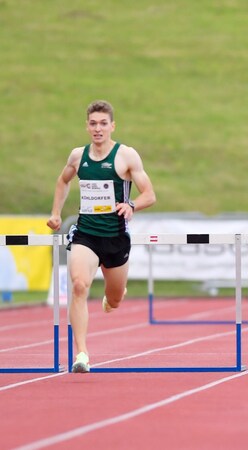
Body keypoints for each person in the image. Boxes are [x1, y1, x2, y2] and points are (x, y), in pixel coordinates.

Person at [46, 100, 156, 373]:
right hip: (87, 234)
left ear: (112, 126)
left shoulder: (126, 156)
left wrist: (131, 205)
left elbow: (149, 195)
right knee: (79, 286)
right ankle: (82, 353)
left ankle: (114, 296)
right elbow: (63, 181)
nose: (98, 129)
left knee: (115, 298)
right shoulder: (77, 156)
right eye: (93, 124)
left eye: (103, 124)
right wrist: (56, 213)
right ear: (87, 126)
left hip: (115, 237)